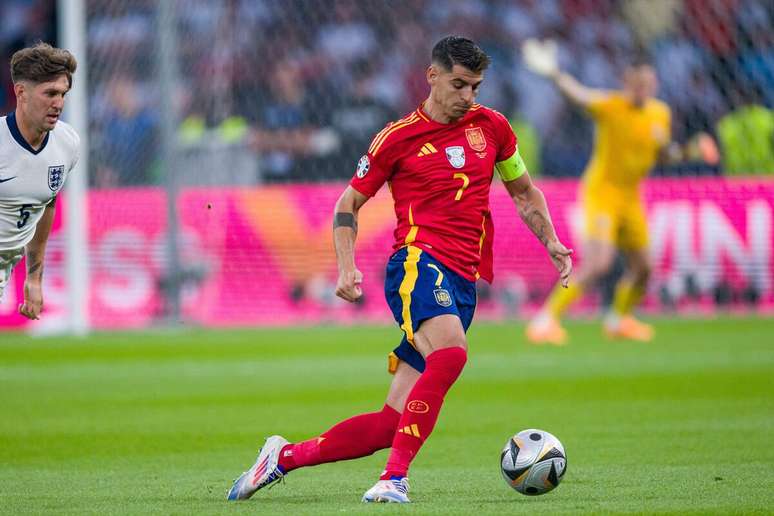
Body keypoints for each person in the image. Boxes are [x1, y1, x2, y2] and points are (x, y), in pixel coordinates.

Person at [227, 36, 572, 504]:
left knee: (389, 424)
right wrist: (346, 269)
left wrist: (550, 239)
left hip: (462, 280)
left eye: (475, 86)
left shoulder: (493, 128)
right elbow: (348, 204)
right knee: (451, 353)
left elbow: (524, 191)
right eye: (458, 84)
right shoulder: (397, 136)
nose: (468, 96)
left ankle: (281, 457)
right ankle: (394, 480)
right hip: (416, 263)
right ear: (432, 76)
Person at [521, 39, 672, 344]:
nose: (643, 88)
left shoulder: (660, 113)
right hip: (603, 193)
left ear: (654, 82)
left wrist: (689, 151)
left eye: (647, 82)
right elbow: (578, 95)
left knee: (643, 267)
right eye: (637, 82)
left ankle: (619, 319)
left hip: (631, 196)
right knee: (599, 263)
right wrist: (554, 75)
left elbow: (662, 153)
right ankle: (545, 320)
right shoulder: (611, 106)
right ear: (626, 82)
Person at [0, 42, 79, 319]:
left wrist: (34, 278)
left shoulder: (67, 144)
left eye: (63, 94)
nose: (58, 103)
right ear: (21, 92)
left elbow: (46, 203)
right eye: (50, 94)